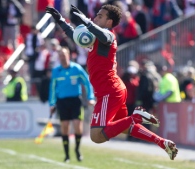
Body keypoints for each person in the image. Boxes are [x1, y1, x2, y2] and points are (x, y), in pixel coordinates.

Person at [46, 4, 178, 160]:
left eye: (100, 16)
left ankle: (136, 116)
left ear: (109, 22)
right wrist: (60, 20)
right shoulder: (95, 38)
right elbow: (75, 35)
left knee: (97, 135)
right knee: (124, 128)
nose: (95, 18)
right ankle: (162, 142)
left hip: (108, 91)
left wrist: (86, 22)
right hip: (113, 89)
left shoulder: (109, 36)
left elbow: (101, 35)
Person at [49, 47, 95, 162]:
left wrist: (90, 97)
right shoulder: (56, 71)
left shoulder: (77, 69)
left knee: (77, 127)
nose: (62, 58)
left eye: (64, 55)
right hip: (62, 102)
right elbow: (53, 89)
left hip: (75, 101)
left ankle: (77, 150)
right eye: (60, 56)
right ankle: (67, 155)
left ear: (68, 56)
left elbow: (87, 82)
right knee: (65, 128)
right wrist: (52, 104)